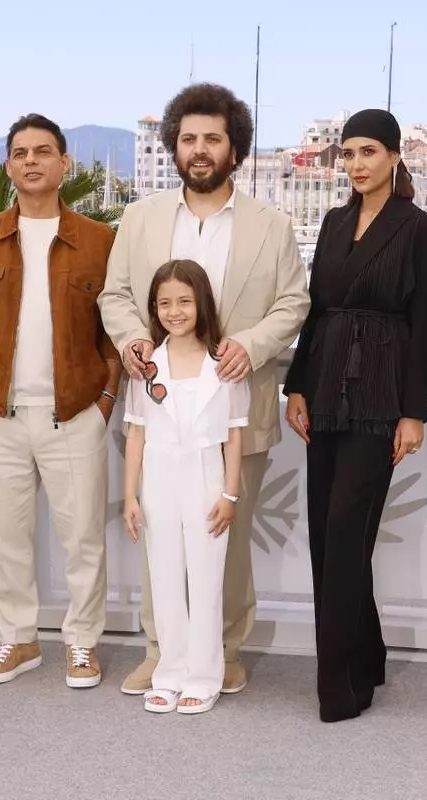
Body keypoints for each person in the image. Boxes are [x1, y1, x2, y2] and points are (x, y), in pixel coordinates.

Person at [99, 83, 309, 696]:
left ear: (234, 148)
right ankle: (162, 651)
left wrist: (253, 345)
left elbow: (294, 301)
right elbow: (114, 295)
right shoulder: (139, 219)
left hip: (235, 407)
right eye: (188, 138)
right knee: (160, 535)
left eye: (212, 138)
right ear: (173, 147)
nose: (199, 148)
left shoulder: (271, 225)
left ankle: (224, 648)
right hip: (160, 409)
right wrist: (133, 341)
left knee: (228, 536)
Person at [282, 109, 427, 722]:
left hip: (380, 397)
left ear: (396, 156)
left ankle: (342, 686)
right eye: (348, 153)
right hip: (324, 386)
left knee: (348, 534)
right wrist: (296, 388)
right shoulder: (332, 222)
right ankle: (370, 653)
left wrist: (412, 413)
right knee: (326, 533)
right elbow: (315, 312)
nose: (356, 164)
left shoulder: (422, 228)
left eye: (368, 152)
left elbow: (423, 324)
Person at [0, 114, 120, 689]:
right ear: (7, 166)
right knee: (7, 535)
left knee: (83, 539)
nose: (31, 161)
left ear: (63, 164)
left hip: (74, 413)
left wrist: (105, 397)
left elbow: (112, 326)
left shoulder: (100, 239)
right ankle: (19, 639)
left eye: (43, 151)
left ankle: (81, 643)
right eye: (20, 152)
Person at [123, 260, 251, 715]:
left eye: (183, 301)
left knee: (205, 577)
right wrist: (130, 496)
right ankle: (170, 673)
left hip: (206, 475)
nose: (174, 311)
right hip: (157, 474)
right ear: (154, 310)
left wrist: (230, 494)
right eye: (164, 303)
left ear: (201, 303)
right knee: (164, 577)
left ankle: (203, 676)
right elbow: (135, 431)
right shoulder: (146, 366)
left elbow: (234, 434)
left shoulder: (224, 363)